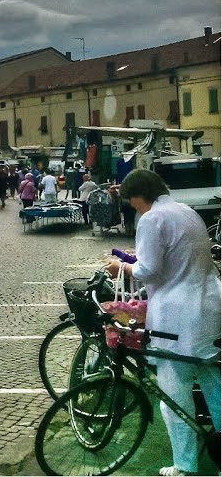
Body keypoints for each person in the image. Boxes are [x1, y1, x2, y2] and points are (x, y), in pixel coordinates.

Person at [105, 169, 221, 477]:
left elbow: (150, 270)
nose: (133, 208)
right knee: (215, 387)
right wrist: (137, 259)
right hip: (210, 306)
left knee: (173, 392)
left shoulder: (152, 218)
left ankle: (185, 465)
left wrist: (122, 266)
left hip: (178, 315)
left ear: (140, 196)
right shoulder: (186, 211)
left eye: (132, 202)